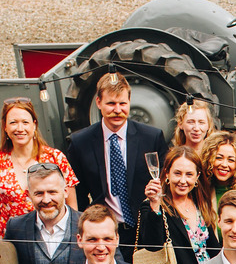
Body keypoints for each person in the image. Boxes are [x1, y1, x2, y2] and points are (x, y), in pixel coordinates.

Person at [66, 73, 169, 231]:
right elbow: (78, 195)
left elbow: (166, 183)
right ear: (98, 102)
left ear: (129, 102)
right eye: (111, 103)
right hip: (104, 230)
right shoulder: (80, 142)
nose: (117, 110)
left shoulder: (151, 138)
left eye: (122, 103)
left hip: (145, 228)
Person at [0, 97, 79, 235]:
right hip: (11, 236)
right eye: (13, 123)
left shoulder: (55, 158)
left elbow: (72, 205)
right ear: (5, 127)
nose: (20, 128)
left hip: (49, 234)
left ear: (34, 125)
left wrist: (72, 236)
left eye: (25, 122)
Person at [138, 147, 219, 264]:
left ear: (197, 177)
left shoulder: (201, 204)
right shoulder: (153, 206)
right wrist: (155, 205)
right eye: (177, 173)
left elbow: (214, 250)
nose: (183, 180)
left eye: (189, 174)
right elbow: (152, 245)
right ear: (167, 174)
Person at [198, 131, 236, 215]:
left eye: (231, 160)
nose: (224, 165)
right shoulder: (200, 189)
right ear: (208, 159)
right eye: (219, 158)